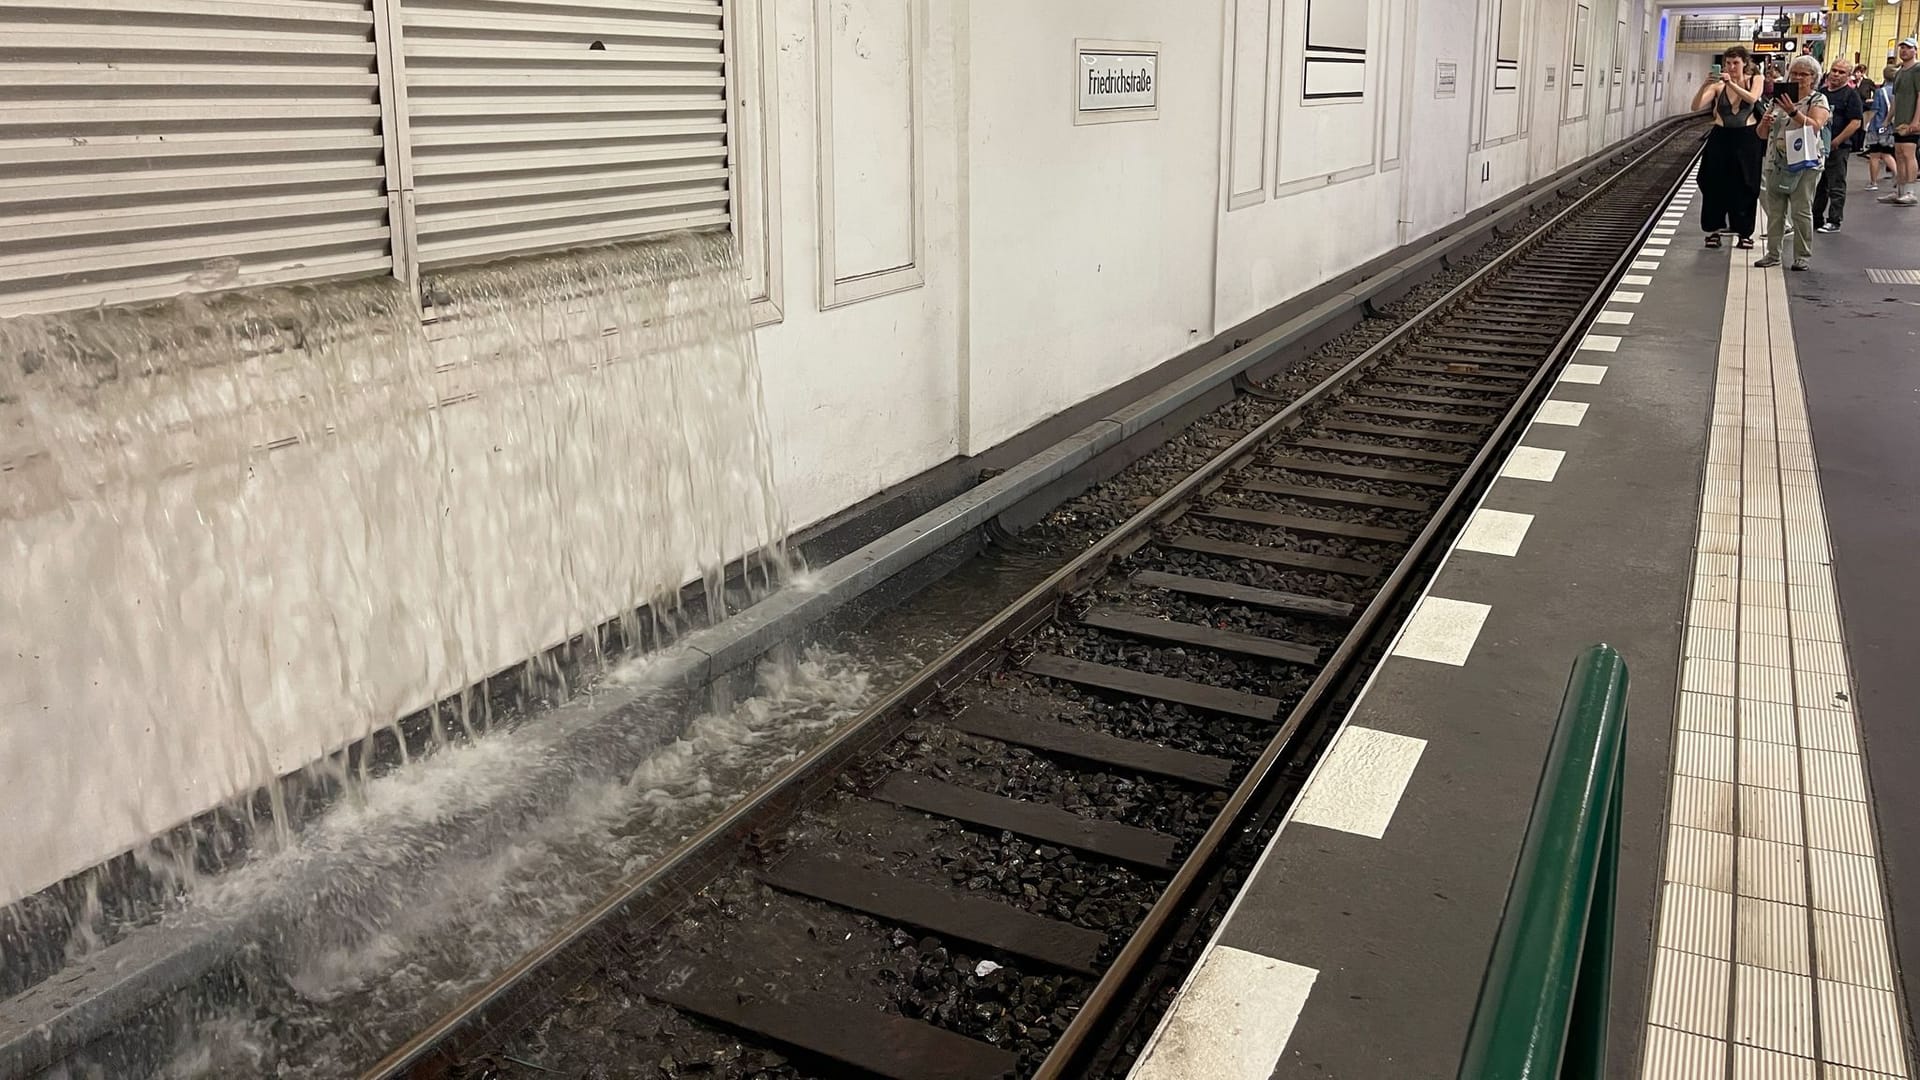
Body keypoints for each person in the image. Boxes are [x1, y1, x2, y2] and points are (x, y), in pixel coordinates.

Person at [1756, 54, 1832, 270]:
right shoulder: (1777, 99)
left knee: (1801, 210)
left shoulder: (1818, 99)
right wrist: (1764, 122)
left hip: (1805, 163)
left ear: (1813, 77)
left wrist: (1793, 112)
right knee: (1775, 210)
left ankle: (1802, 256)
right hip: (1776, 161)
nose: (1798, 77)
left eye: (1803, 74)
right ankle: (1773, 254)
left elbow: (1815, 125)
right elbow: (1762, 134)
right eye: (1795, 73)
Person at [1693, 47, 1767, 249]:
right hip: (1721, 137)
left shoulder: (1755, 80)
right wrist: (1705, 85)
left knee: (1746, 184)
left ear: (1744, 63)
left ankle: (1744, 231)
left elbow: (1751, 98)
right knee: (1714, 183)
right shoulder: (1719, 85)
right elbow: (1696, 106)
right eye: (1728, 63)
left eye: (1735, 63)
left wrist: (1732, 84)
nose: (1731, 67)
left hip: (1747, 138)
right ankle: (1714, 229)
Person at [1814, 61, 1864, 232]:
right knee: (1818, 184)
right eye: (1834, 70)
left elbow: (1856, 122)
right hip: (1818, 146)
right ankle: (1816, 217)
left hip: (1838, 148)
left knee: (1836, 184)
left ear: (1848, 75)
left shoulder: (1851, 95)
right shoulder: (1821, 94)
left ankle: (1834, 220)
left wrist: (1837, 140)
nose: (1835, 74)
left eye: (1841, 72)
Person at [1883, 38, 1920, 206]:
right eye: (1902, 48)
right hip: (1899, 120)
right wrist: (1887, 120)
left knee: (1908, 153)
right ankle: (1900, 190)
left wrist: (1916, 121)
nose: (1904, 50)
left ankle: (1910, 192)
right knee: (1898, 153)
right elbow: (1895, 99)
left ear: (1915, 51)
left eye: (1908, 48)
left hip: (1912, 121)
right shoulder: (1899, 72)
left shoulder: (1918, 70)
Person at [1867, 65, 1898, 190]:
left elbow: (1875, 109)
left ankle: (1873, 182)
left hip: (1877, 126)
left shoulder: (1881, 91)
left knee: (1874, 155)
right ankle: (1897, 175)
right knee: (1886, 153)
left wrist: (1868, 124)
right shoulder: (1897, 91)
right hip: (1890, 126)